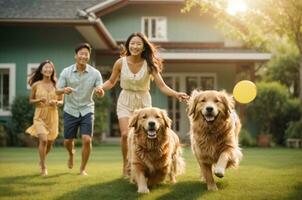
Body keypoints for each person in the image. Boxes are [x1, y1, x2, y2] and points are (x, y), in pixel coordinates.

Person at [98, 32, 189, 176]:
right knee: (125, 134)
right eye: (132, 43)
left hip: (143, 103)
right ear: (128, 45)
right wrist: (101, 88)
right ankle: (126, 164)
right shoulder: (120, 63)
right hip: (125, 100)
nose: (135, 46)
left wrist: (176, 93)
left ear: (143, 47)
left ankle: (143, 165)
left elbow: (162, 86)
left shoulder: (150, 65)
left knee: (144, 136)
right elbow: (111, 81)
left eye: (138, 44)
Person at [56, 43, 104, 176]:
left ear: (88, 56)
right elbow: (57, 90)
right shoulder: (66, 72)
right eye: (81, 53)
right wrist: (63, 90)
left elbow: (100, 89)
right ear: (76, 56)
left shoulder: (95, 73)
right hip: (70, 109)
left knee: (87, 140)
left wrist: (100, 92)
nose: (83, 56)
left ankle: (83, 169)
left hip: (87, 109)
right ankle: (71, 154)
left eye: (86, 54)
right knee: (67, 141)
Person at [26, 60, 63, 176]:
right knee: (44, 140)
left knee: (50, 143)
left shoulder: (57, 84)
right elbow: (30, 100)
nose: (48, 70)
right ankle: (43, 167)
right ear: (41, 70)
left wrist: (56, 102)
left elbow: (62, 101)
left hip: (53, 116)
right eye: (46, 68)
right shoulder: (36, 85)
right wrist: (38, 100)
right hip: (40, 116)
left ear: (53, 70)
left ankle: (41, 160)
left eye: (50, 68)